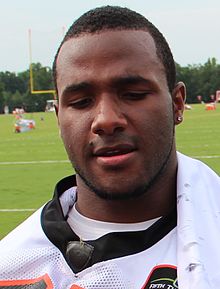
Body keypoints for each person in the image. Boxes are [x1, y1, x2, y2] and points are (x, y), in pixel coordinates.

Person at [0, 6, 219, 289]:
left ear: (177, 103)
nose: (106, 120)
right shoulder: (11, 265)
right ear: (58, 118)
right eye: (80, 102)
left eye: (133, 95)